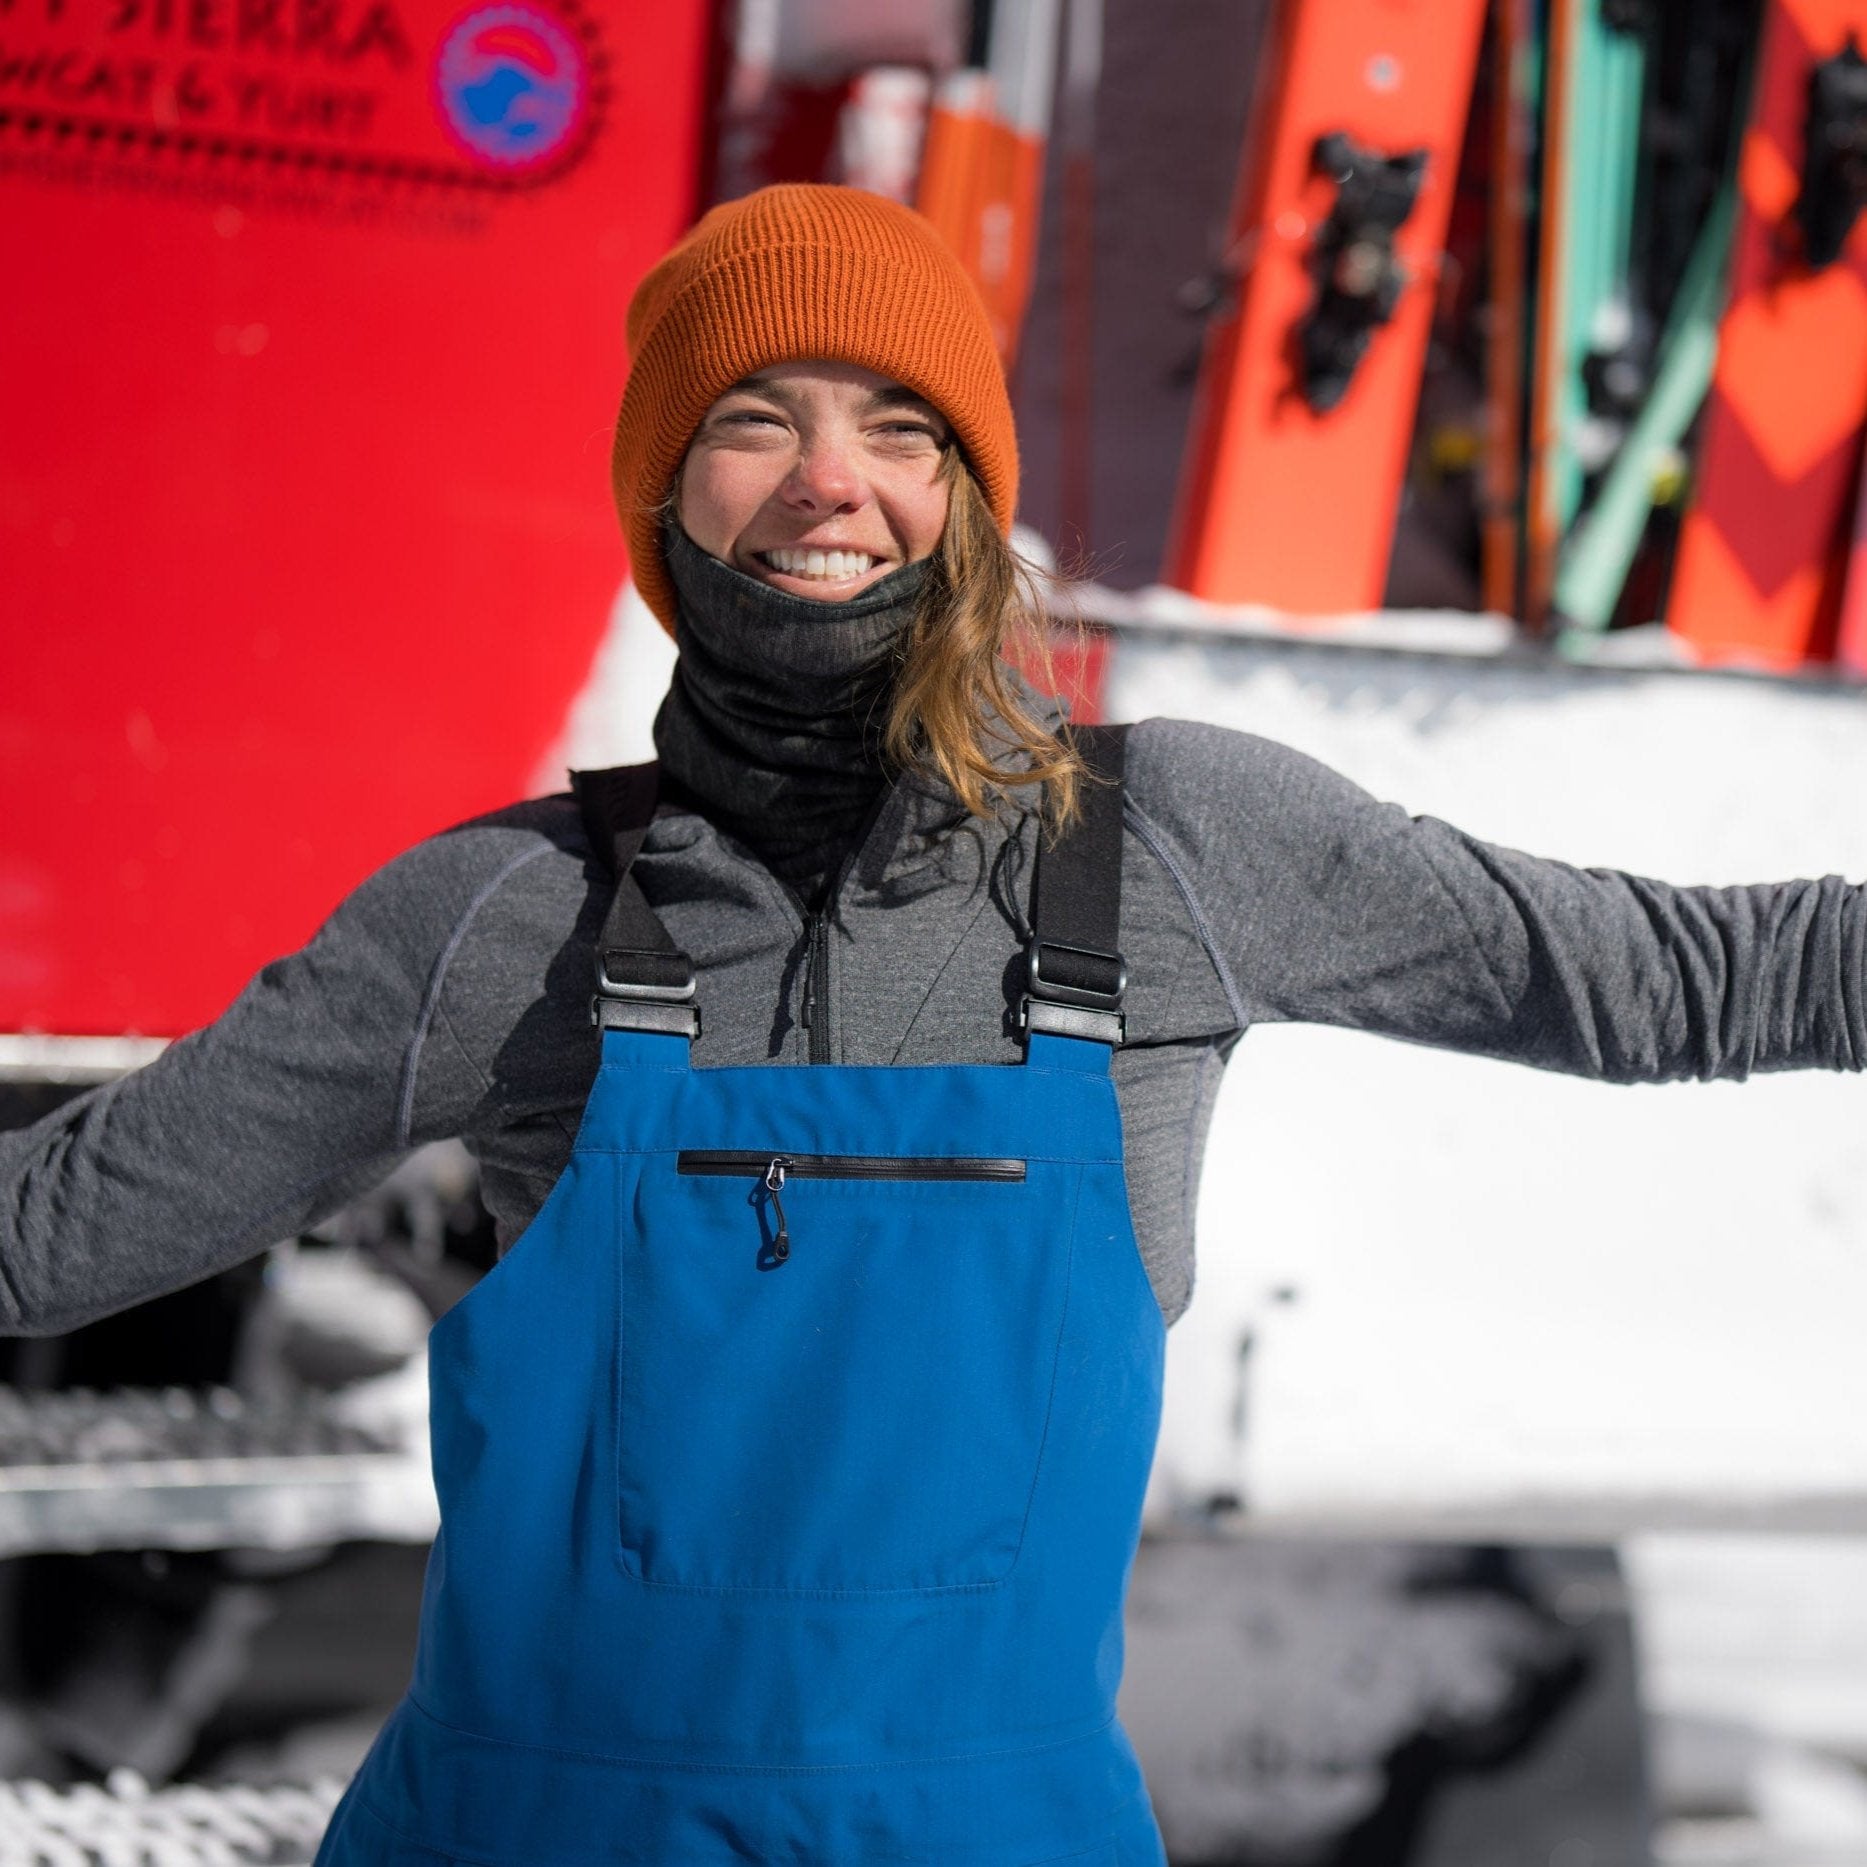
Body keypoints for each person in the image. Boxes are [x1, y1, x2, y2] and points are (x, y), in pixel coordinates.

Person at [3, 182, 1863, 1865]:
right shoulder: (509, 913)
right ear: (666, 491)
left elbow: (1671, 979)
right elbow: (69, 1228)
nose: (833, 480)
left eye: (899, 427)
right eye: (758, 419)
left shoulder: (1176, 850)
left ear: (966, 492)